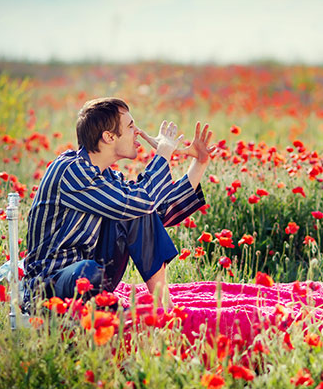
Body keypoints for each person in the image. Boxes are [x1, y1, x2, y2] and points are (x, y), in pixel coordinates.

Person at [23, 97, 214, 312]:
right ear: (109, 136)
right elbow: (143, 200)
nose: (138, 132)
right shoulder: (70, 171)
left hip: (91, 279)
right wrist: (163, 153)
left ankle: (162, 306)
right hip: (50, 284)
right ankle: (149, 310)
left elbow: (156, 211)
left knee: (136, 210)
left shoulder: (107, 177)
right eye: (131, 126)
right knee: (89, 270)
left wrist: (199, 163)